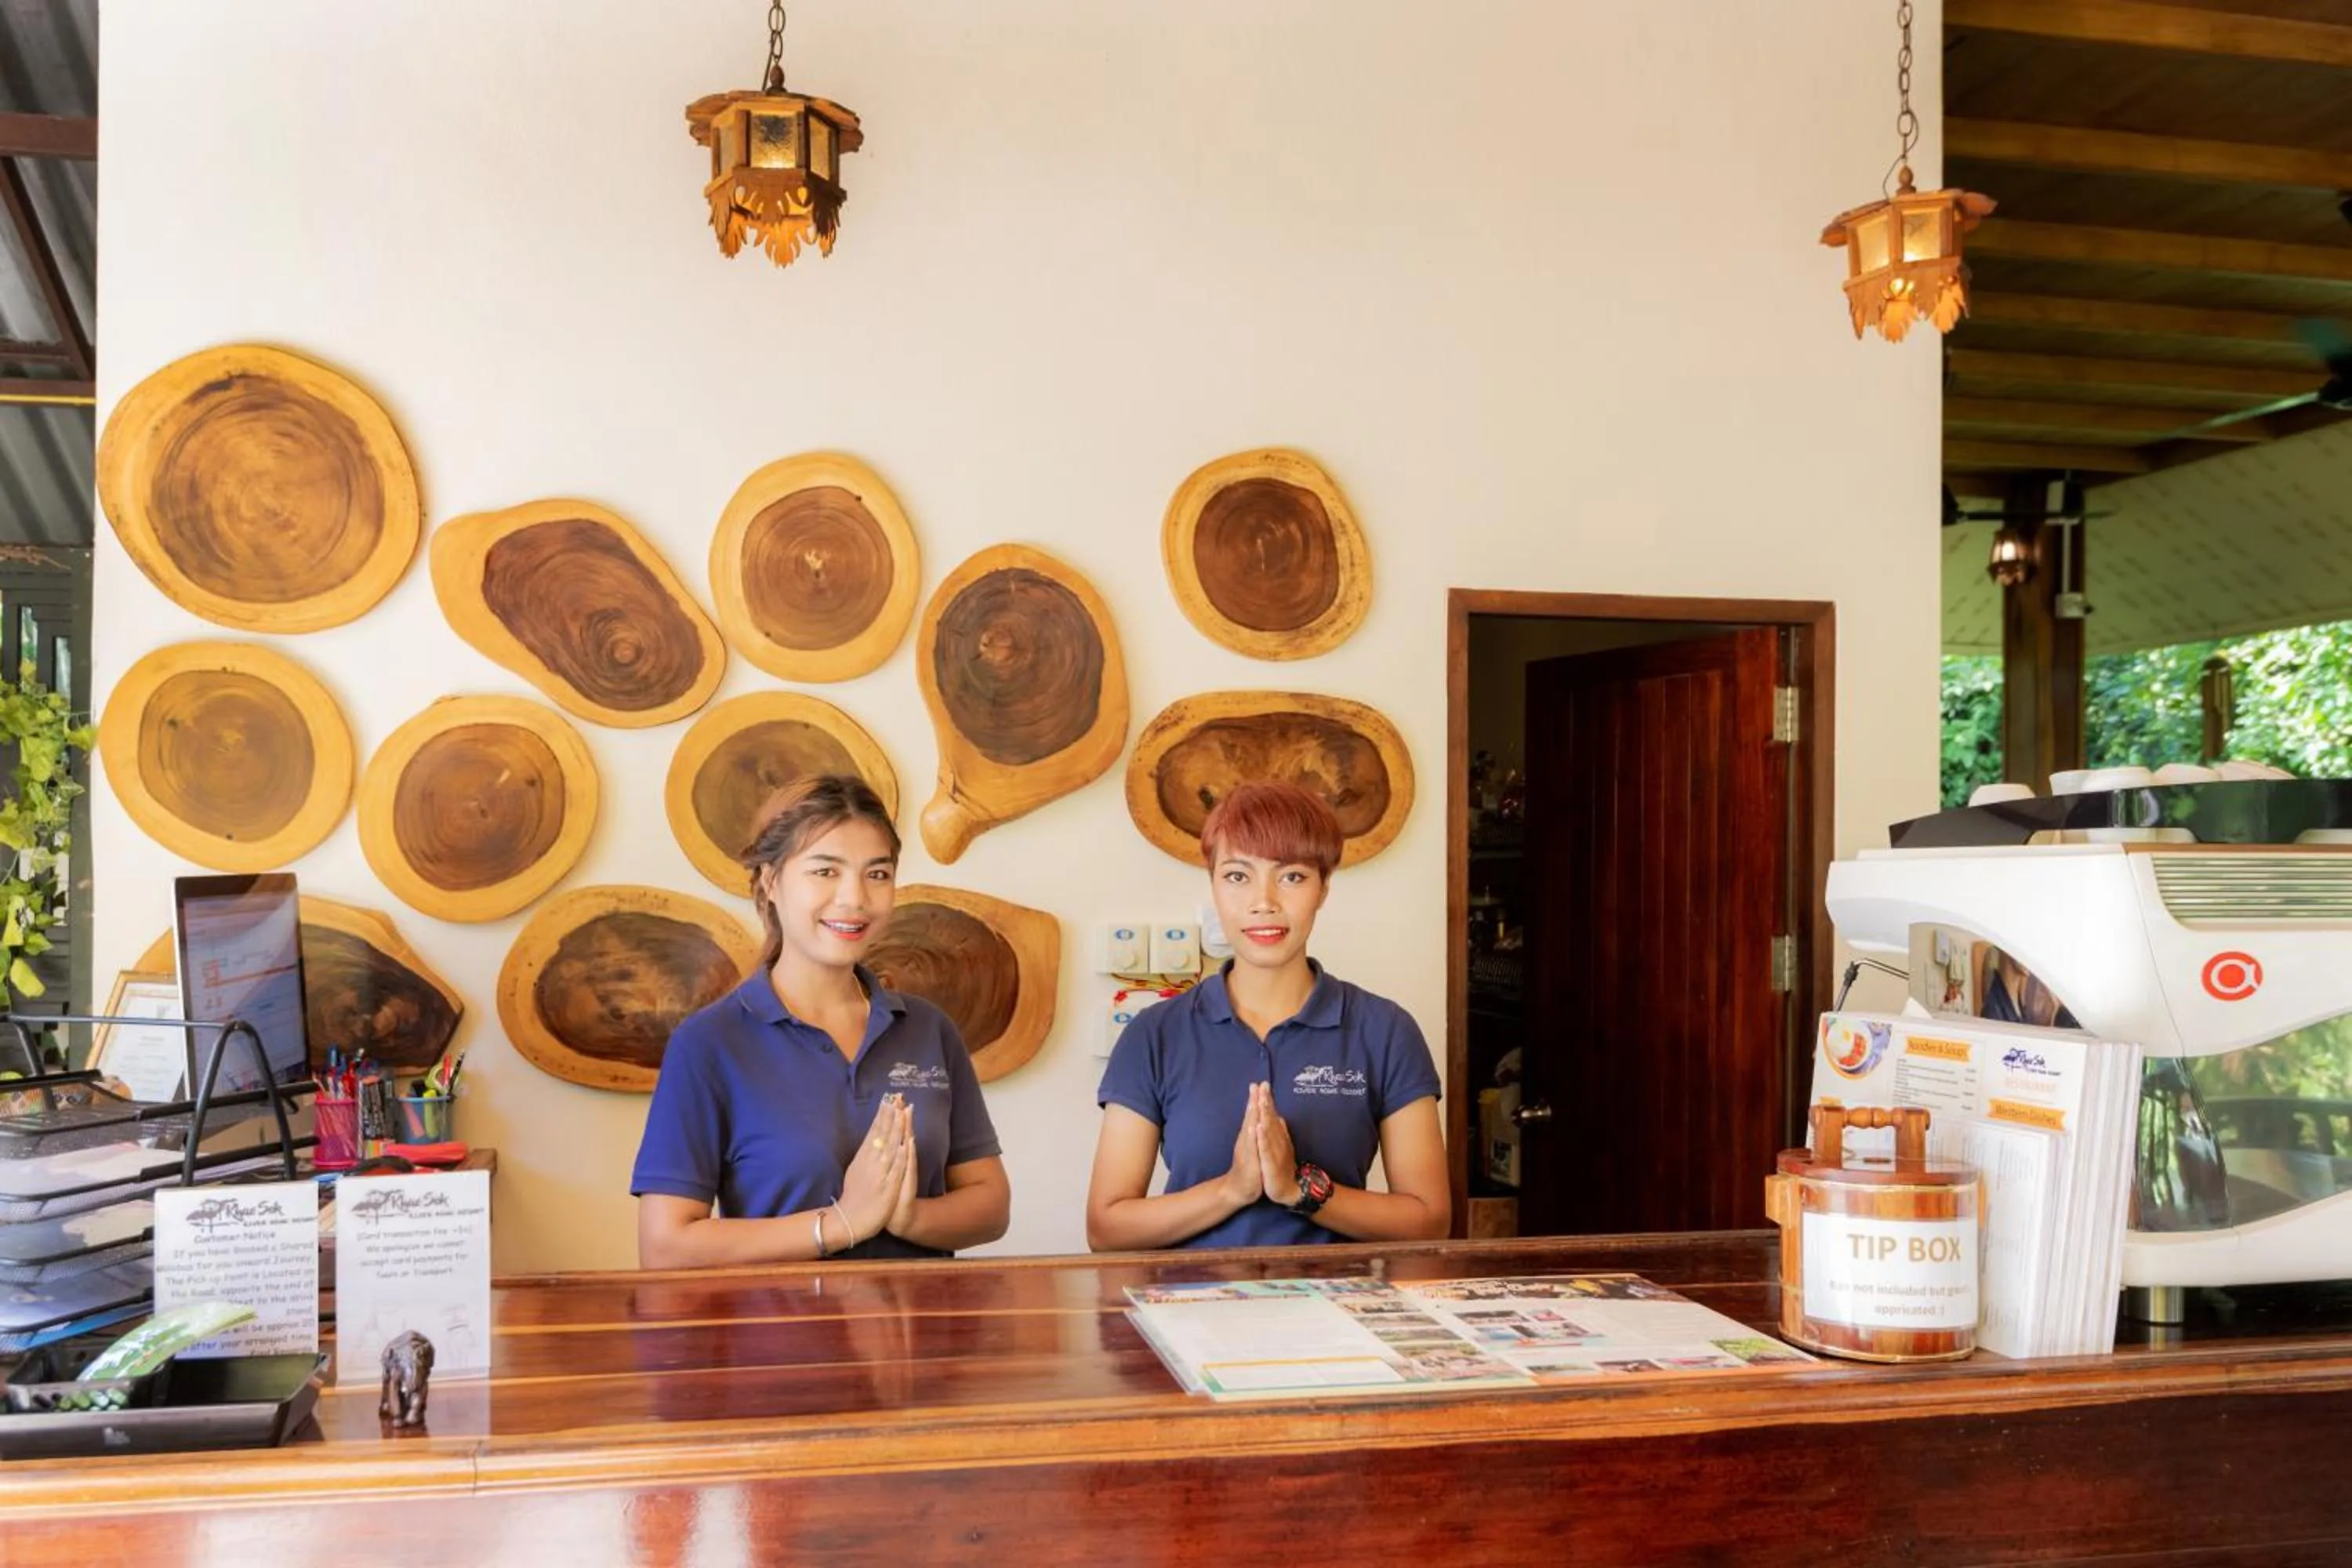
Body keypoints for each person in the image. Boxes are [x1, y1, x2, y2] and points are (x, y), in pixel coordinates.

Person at [633, 775, 1011, 1266]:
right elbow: (665, 1246)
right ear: (771, 882)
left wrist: (904, 1217)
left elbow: (991, 1205)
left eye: (877, 874)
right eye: (825, 871)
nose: (854, 898)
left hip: (921, 1333)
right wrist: (842, 1223)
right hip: (780, 1338)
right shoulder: (710, 1044)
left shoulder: (928, 1030)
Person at [1085, 780, 1449, 1250]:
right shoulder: (1154, 1035)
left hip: (1340, 1311)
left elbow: (1429, 1220)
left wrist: (1301, 1191)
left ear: (1323, 889)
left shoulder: (1385, 1030)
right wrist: (1232, 1189)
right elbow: (1107, 1228)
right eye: (1238, 876)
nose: (1264, 901)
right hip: (1192, 1311)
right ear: (1214, 885)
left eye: (1292, 876)